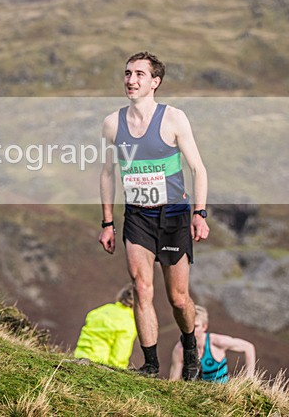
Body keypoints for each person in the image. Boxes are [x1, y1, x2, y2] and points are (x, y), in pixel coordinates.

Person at [98, 52, 210, 379]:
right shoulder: (112, 124)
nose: (131, 80)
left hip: (174, 216)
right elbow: (107, 173)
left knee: (178, 298)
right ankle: (150, 365)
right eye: (128, 73)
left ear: (155, 82)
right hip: (137, 217)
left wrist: (199, 214)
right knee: (142, 288)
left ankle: (190, 347)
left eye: (139, 75)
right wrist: (107, 222)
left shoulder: (174, 119)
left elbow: (198, 169)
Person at [169, 305, 256, 382]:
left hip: (223, 393)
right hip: (199, 396)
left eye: (196, 326)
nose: (192, 330)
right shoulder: (180, 349)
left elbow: (248, 347)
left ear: (204, 327)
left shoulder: (216, 342)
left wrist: (249, 379)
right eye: (188, 325)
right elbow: (173, 381)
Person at [74, 283, 137, 369]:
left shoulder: (101, 310)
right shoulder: (129, 322)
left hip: (79, 357)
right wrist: (118, 372)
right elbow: (120, 354)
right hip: (99, 364)